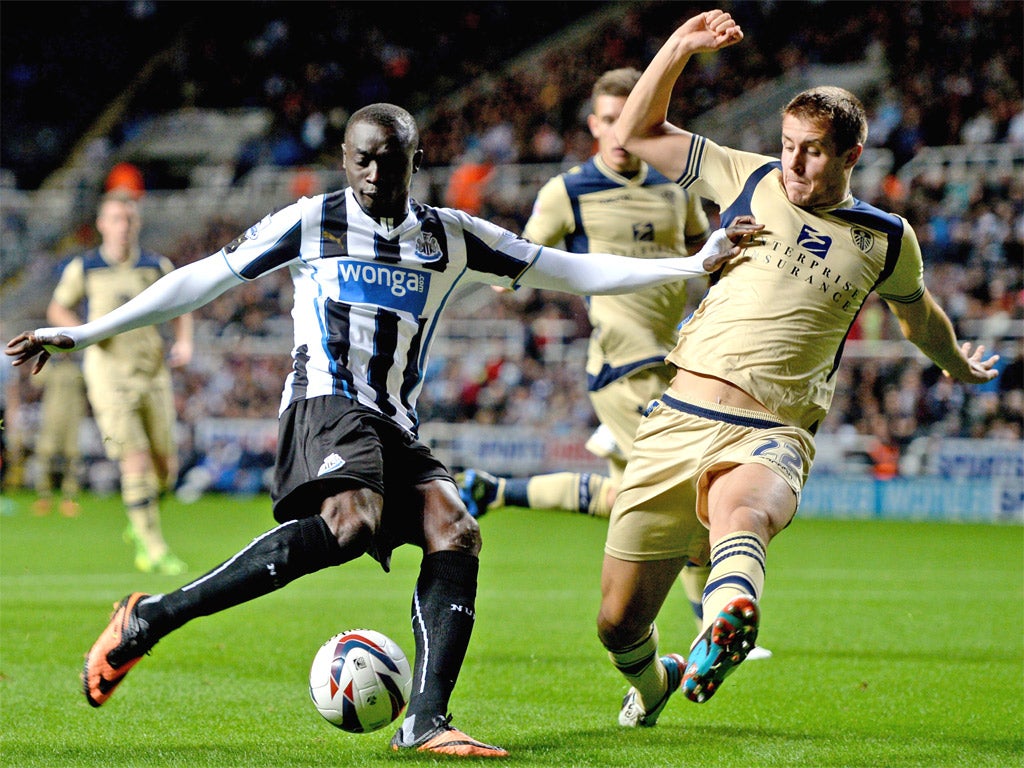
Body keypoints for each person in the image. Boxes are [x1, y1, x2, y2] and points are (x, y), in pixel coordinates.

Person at [6, 103, 761, 758]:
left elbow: (565, 268)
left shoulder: (451, 237)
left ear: (414, 162)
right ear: (344, 161)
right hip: (324, 403)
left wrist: (692, 265)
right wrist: (88, 332)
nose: (372, 173)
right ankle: (152, 619)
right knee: (350, 520)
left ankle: (425, 722)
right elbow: (200, 278)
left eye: (388, 160)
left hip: (392, 423)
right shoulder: (312, 221)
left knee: (455, 528)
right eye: (361, 159)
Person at [596, 9, 1000, 729]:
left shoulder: (885, 237)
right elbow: (636, 132)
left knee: (742, 511)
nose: (795, 163)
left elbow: (919, 317)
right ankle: (657, 678)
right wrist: (681, 48)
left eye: (812, 151)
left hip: (771, 428)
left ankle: (728, 615)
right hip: (677, 418)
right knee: (617, 624)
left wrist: (956, 365)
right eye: (788, 146)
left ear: (851, 155)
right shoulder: (747, 178)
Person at [458, 66, 739, 644]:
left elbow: (695, 255)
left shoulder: (674, 188)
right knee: (686, 492)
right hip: (623, 368)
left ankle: (494, 489)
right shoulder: (567, 192)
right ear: (594, 124)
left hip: (676, 362)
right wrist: (498, 275)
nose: (620, 130)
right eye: (610, 119)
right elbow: (521, 259)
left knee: (624, 497)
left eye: (631, 118)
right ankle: (711, 628)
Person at [46, 190, 192, 572]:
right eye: (115, 219)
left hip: (152, 372)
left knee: (165, 467)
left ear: (137, 223)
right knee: (135, 456)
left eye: (129, 219)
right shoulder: (86, 266)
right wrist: (83, 332)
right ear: (101, 224)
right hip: (108, 375)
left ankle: (138, 515)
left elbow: (184, 304)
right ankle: (153, 547)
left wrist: (185, 342)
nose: (123, 227)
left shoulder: (155, 265)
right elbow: (58, 307)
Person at [30, 353, 86, 517]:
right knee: (45, 455)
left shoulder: (78, 366)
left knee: (73, 457)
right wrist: (48, 358)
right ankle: (44, 497)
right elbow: (36, 380)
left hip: (73, 418)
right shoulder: (50, 365)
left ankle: (69, 498)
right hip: (51, 418)